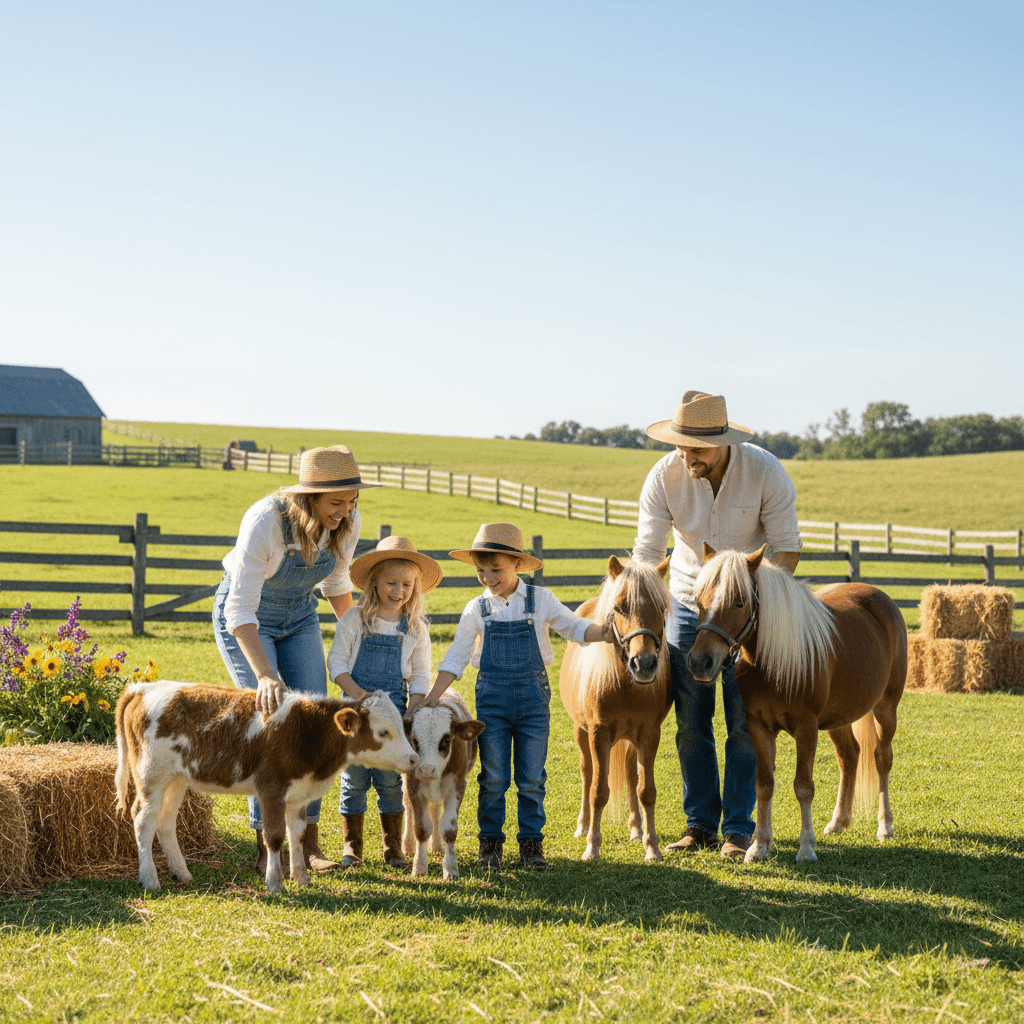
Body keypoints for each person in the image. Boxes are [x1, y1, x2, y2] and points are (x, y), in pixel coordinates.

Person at [633, 391, 802, 859]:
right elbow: (647, 553)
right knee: (690, 719)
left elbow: (786, 547)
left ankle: (738, 828)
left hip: (748, 609)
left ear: (724, 443)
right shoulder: (665, 475)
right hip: (689, 601)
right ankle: (700, 825)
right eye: (682, 446)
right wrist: (639, 602)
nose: (687, 457)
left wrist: (755, 605)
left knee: (745, 719)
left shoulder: (765, 471)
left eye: (698, 450)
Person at [213, 443, 380, 875]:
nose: (345, 511)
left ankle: (306, 846)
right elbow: (239, 607)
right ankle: (267, 846)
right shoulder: (266, 521)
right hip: (249, 617)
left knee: (316, 718)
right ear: (310, 498)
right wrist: (265, 675)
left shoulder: (347, 523)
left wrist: (361, 637)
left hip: (300, 614)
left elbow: (337, 584)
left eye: (352, 501)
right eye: (336, 502)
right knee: (271, 717)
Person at [410, 522, 614, 871]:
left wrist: (605, 632)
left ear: (517, 565)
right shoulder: (477, 609)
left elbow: (574, 627)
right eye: (481, 571)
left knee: (532, 778)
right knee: (493, 778)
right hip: (493, 704)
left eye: (496, 570)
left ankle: (531, 846)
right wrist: (432, 696)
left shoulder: (541, 600)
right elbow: (456, 657)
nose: (488, 578)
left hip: (534, 704)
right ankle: (490, 847)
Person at [327, 535, 442, 872]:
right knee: (355, 780)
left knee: (392, 783)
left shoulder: (416, 629)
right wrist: (360, 697)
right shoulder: (353, 620)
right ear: (374, 582)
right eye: (391, 582)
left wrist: (411, 711)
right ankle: (353, 847)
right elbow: (337, 666)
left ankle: (393, 849)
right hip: (358, 717)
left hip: (395, 717)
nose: (399, 590)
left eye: (407, 584)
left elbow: (420, 677)